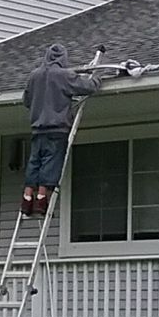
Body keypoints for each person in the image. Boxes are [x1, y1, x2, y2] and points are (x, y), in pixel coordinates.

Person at [20, 44, 102, 217]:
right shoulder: (63, 76)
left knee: (35, 163)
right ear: (63, 58)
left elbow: (27, 100)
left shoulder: (34, 76)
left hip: (37, 130)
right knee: (50, 164)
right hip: (57, 129)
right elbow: (87, 87)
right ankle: (42, 199)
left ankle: (27, 198)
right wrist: (97, 79)